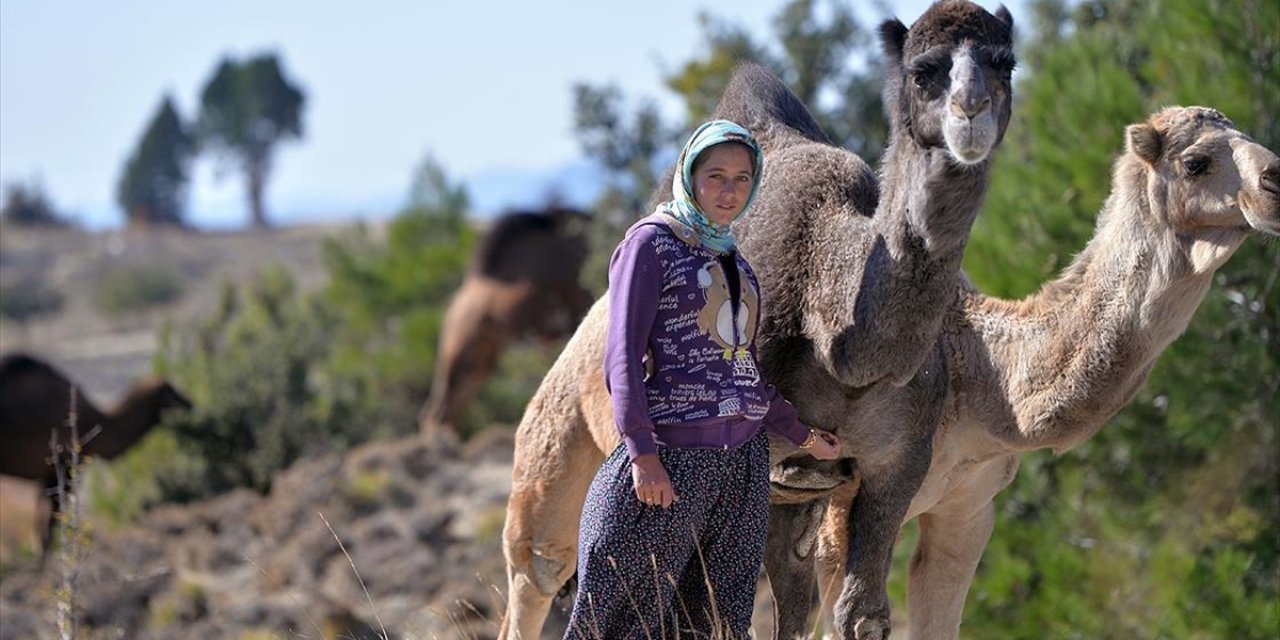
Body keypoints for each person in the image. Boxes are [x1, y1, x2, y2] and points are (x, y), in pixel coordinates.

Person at [564, 120, 841, 639]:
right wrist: (643, 457)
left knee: (715, 624)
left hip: (742, 470)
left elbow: (741, 370)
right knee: (620, 620)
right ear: (690, 177)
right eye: (716, 176)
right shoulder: (651, 244)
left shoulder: (733, 257)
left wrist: (801, 434)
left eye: (741, 178)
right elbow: (620, 360)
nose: (728, 190)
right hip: (671, 461)